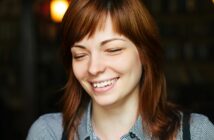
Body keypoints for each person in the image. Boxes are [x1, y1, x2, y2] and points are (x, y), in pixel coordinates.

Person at [26, 0, 214, 140]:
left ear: (144, 53)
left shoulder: (195, 133)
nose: (94, 68)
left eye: (112, 50)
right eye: (80, 55)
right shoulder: (48, 133)